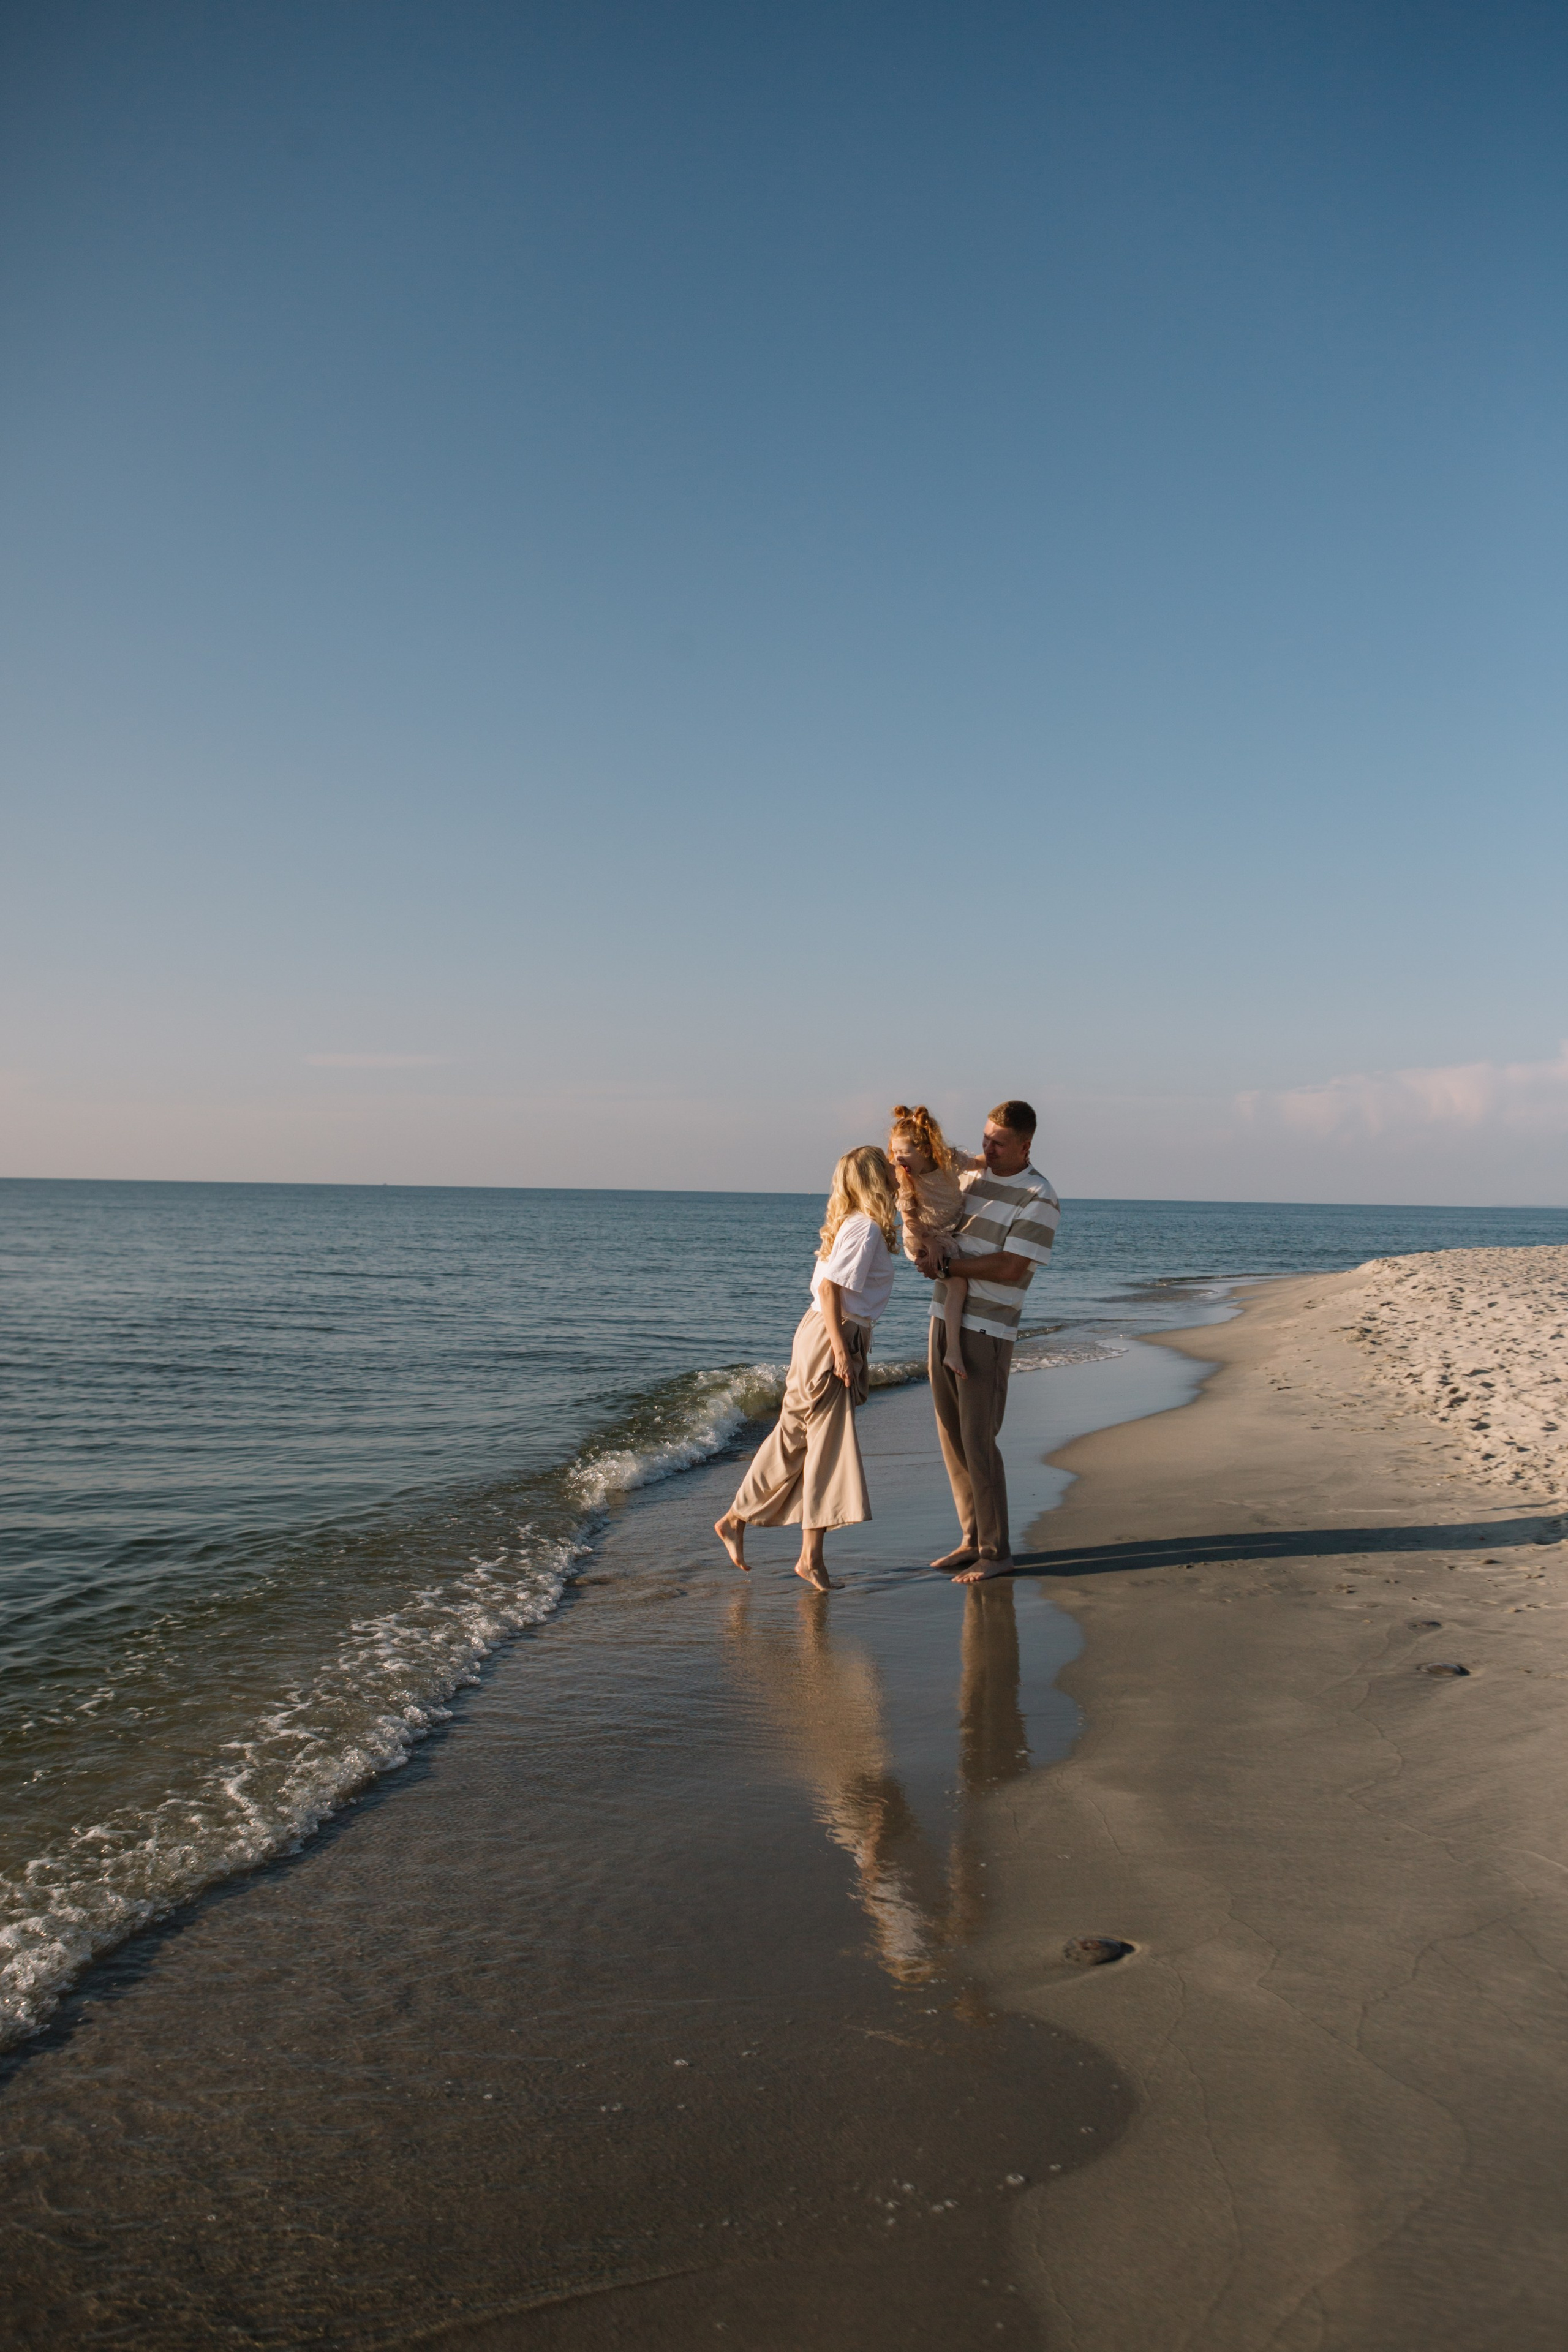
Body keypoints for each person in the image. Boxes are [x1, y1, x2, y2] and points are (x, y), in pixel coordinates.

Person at [714, 1145, 900, 1593]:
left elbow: (826, 1287)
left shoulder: (852, 1223)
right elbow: (832, 1288)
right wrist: (842, 1352)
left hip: (817, 1332)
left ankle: (737, 1518)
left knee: (795, 1435)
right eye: (890, 1167)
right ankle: (809, 1559)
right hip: (833, 1334)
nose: (898, 1172)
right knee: (826, 1446)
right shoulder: (866, 1229)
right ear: (876, 1179)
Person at [914, 1099, 1060, 1585]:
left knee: (979, 1440)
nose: (987, 1149)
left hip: (987, 1329)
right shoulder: (971, 1180)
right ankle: (972, 1539)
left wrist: (950, 1267)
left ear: (1026, 1145)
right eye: (985, 1139)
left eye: (998, 1142)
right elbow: (938, 1220)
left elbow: (1010, 1266)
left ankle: (997, 1552)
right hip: (943, 1317)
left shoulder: (1039, 1196)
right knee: (952, 1439)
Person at [887, 1104, 982, 1379]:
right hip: (923, 1236)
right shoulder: (904, 1177)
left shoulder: (950, 1160)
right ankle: (953, 1351)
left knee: (958, 1278)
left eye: (904, 1152)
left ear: (926, 1150)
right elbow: (909, 1219)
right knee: (958, 1283)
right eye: (894, 1151)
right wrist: (931, 1245)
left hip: (948, 1229)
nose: (897, 1158)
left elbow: (977, 1163)